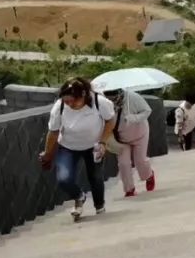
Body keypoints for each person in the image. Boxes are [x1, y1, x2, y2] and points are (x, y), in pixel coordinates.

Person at [40, 77, 116, 220]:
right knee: (64, 178)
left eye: (72, 101)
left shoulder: (99, 103)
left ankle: (100, 207)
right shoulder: (59, 107)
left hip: (93, 146)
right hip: (68, 146)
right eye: (66, 101)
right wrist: (48, 153)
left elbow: (110, 120)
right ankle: (79, 196)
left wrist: (103, 142)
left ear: (83, 95)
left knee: (95, 177)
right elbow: (53, 131)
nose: (69, 104)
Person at [106, 88, 156, 197]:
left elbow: (147, 110)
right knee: (123, 164)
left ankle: (149, 175)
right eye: (108, 98)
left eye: (113, 97)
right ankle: (129, 189)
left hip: (139, 133)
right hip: (120, 138)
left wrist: (133, 118)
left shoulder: (132, 97)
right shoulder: (104, 103)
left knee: (140, 161)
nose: (111, 100)